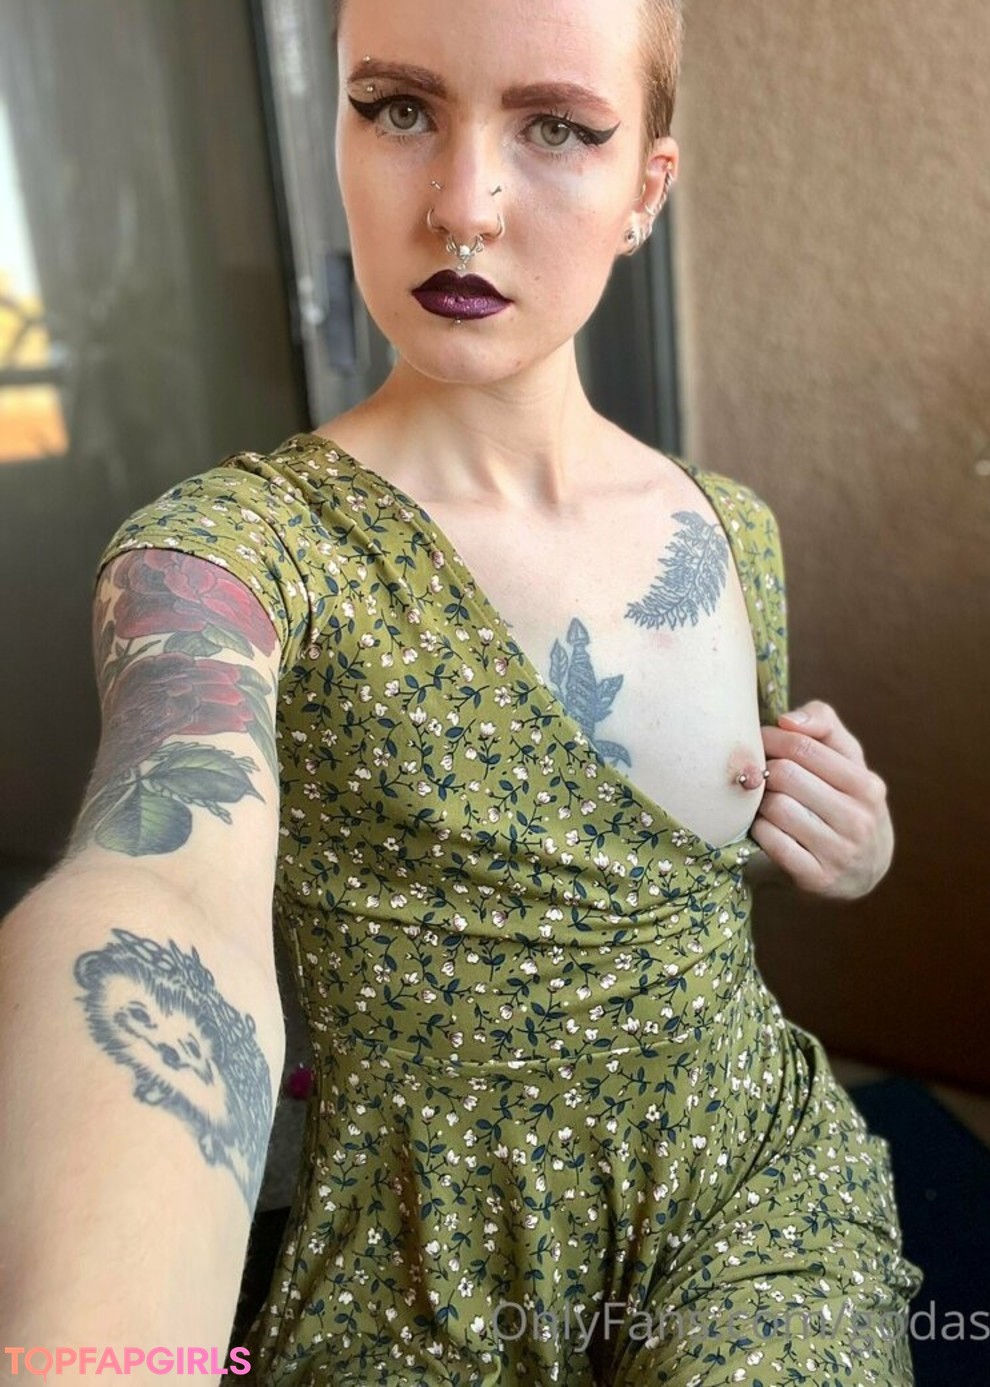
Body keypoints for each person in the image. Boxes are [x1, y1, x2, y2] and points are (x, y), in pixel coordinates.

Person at [0, 1, 923, 1383]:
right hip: (423, 1268)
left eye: (555, 128)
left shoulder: (731, 532)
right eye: (400, 109)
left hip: (750, 1196)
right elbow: (159, 885)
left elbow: (671, 885)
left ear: (644, 190)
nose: (462, 206)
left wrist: (854, 844)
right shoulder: (234, 558)